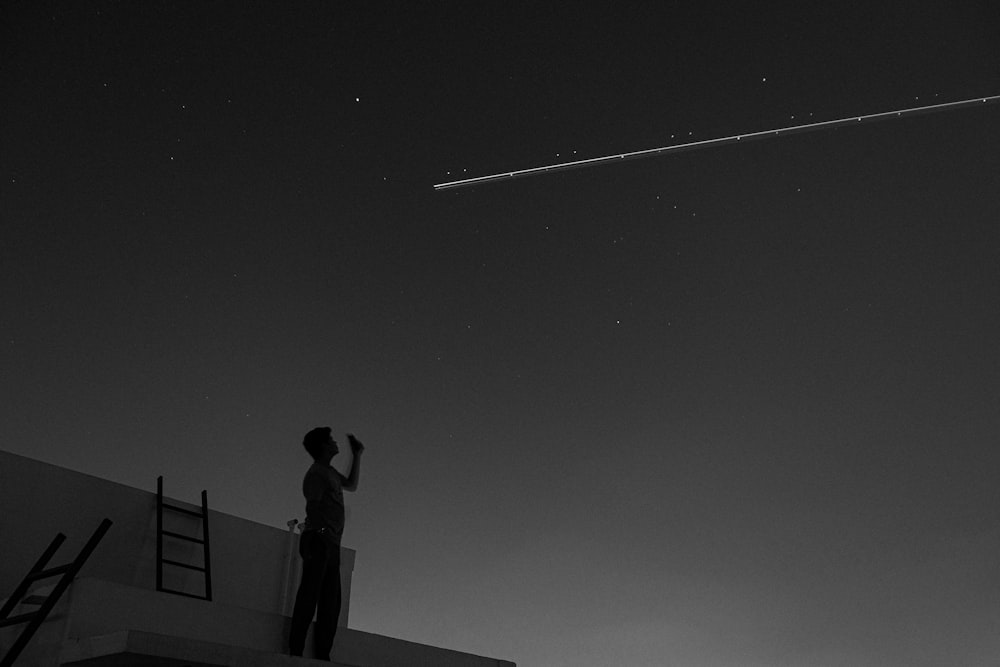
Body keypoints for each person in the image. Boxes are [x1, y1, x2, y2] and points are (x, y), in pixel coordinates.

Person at [289, 426, 364, 660]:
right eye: (330, 440)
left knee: (331, 602)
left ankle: (322, 654)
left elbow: (351, 484)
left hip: (331, 544)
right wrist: (322, 531)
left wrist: (357, 455)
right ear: (322, 446)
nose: (334, 442)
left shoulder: (329, 472)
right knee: (310, 595)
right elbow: (312, 507)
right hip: (319, 541)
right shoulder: (315, 475)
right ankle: (296, 651)